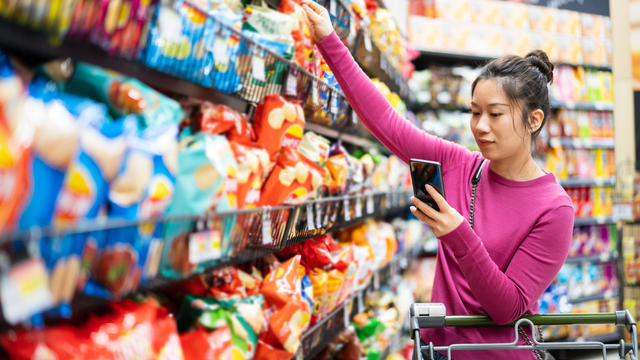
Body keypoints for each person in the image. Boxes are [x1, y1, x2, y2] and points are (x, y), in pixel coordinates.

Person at [300, 1, 574, 359]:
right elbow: (385, 120)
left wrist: (457, 234)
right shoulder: (457, 163)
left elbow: (508, 309)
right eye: (475, 112)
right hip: (437, 352)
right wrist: (329, 40)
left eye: (495, 114)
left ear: (533, 120)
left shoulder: (555, 209)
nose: (480, 126)